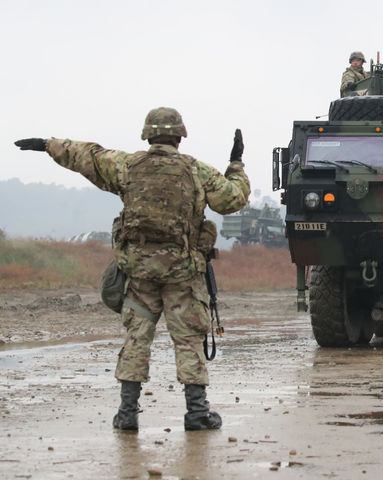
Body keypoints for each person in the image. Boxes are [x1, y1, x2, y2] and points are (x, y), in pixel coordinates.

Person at [14, 107, 251, 431]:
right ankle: (196, 413)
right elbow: (233, 200)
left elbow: (86, 155)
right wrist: (236, 164)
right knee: (189, 341)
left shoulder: (127, 166)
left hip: (139, 271)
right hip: (181, 272)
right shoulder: (197, 171)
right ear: (179, 136)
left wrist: (47, 144)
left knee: (136, 339)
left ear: (147, 134)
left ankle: (127, 414)